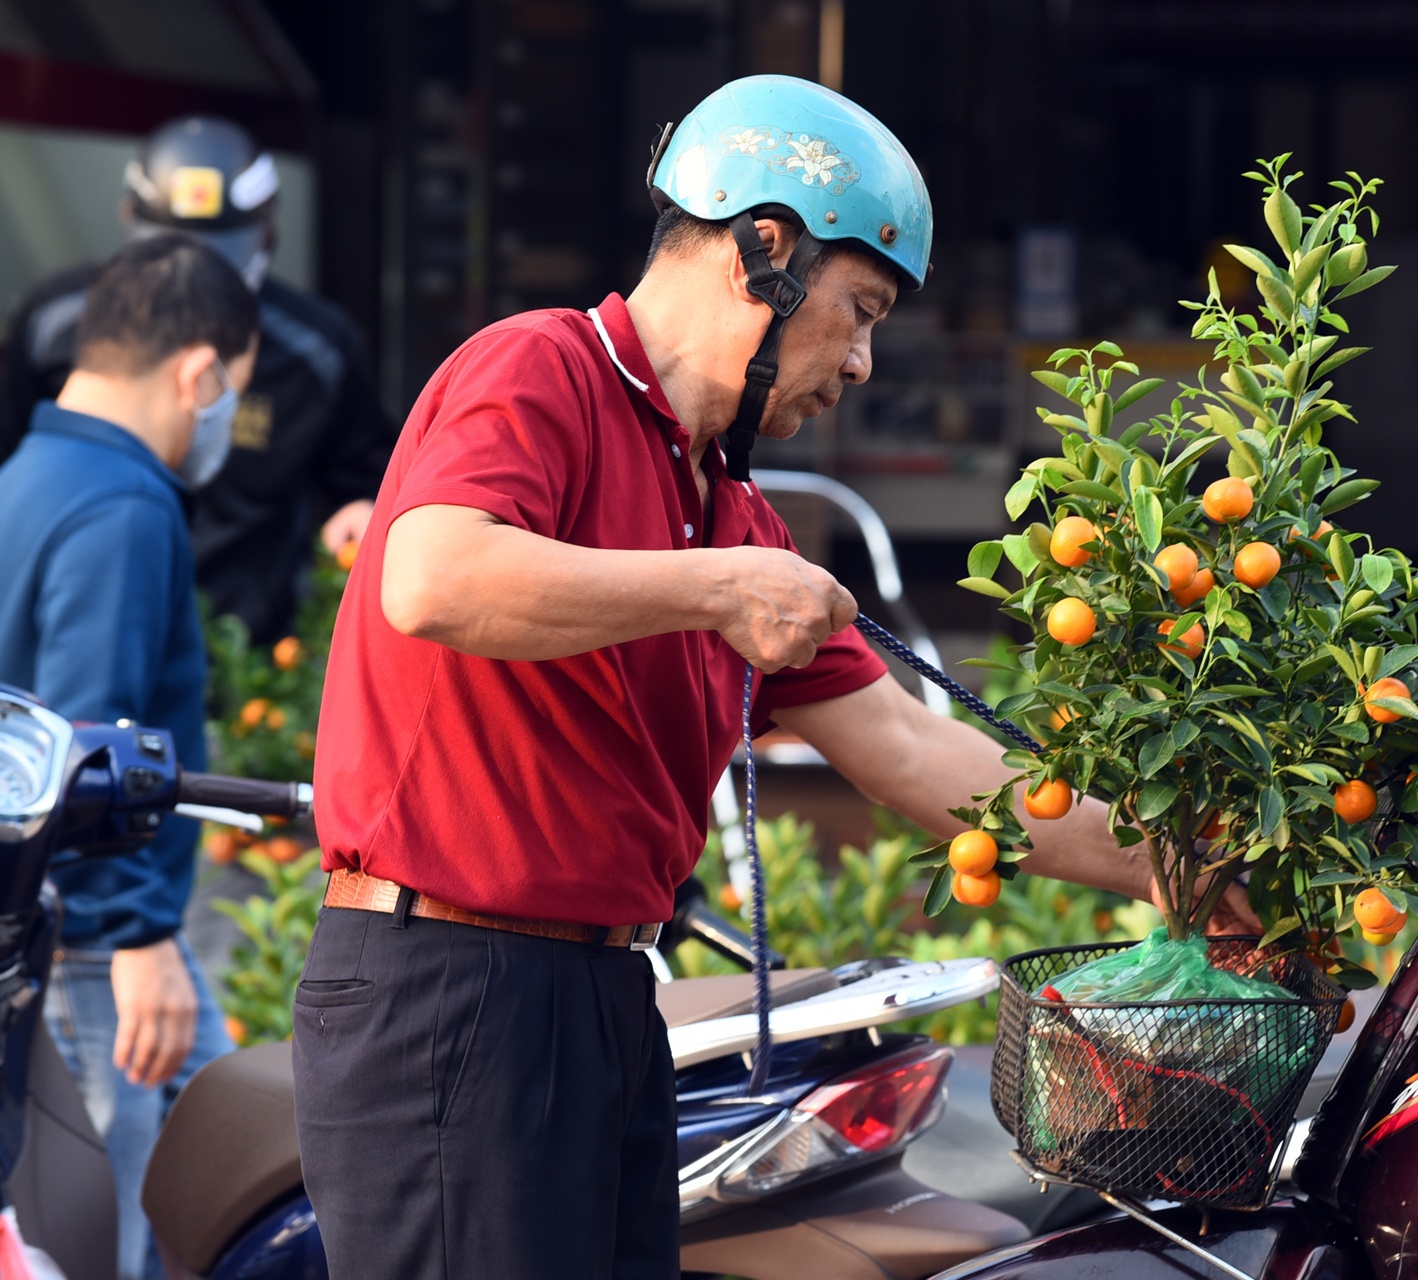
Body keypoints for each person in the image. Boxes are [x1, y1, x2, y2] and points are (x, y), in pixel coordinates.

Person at [299, 75, 1257, 1280]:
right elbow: (433, 578)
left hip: (604, 993)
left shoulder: (736, 514)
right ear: (764, 250)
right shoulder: (541, 368)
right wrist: (717, 589)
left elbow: (921, 756)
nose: (859, 363)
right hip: (450, 988)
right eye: (856, 311)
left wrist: (1186, 866)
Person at [0, 235, 259, 1280]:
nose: (227, 420)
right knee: (124, 1222)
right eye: (233, 392)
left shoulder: (29, 473)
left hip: (54, 917)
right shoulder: (124, 502)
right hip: (98, 926)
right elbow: (82, 750)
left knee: (213, 1155)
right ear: (198, 372)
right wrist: (135, 937)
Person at [0, 115, 396, 643]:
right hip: (80, 622)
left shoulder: (318, 349)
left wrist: (361, 510)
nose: (195, 283)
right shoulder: (57, 318)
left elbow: (370, 475)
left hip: (251, 662)